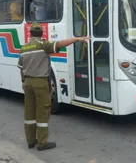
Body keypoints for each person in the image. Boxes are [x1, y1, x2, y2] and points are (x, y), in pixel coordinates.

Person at [17, 22, 90, 151]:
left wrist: (23, 81)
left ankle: (30, 141)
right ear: (41, 33)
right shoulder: (43, 45)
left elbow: (21, 68)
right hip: (40, 82)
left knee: (29, 112)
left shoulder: (24, 48)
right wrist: (77, 39)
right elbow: (61, 44)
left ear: (30, 33)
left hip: (27, 83)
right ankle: (42, 143)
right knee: (42, 112)